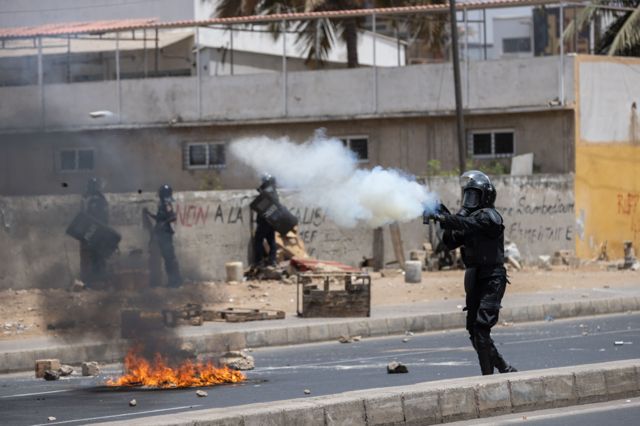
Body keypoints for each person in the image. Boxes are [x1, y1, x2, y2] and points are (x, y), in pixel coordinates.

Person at [424, 170, 517, 375]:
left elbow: (468, 224)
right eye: (467, 195)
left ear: (486, 196)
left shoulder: (490, 217)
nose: (469, 200)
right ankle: (503, 367)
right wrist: (441, 215)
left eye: (474, 195)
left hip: (492, 278)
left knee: (482, 329)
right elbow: (449, 242)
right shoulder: (470, 219)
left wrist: (446, 217)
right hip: (474, 277)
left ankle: (488, 376)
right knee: (473, 331)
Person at [144, 184, 182, 288]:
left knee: (169, 259)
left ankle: (175, 282)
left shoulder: (167, 204)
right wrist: (149, 214)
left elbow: (172, 217)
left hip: (166, 235)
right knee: (167, 259)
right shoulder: (163, 204)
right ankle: (172, 282)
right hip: (162, 235)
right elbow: (160, 219)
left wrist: (164, 223)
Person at [80, 177, 109, 285]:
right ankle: (98, 279)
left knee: (95, 256)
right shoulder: (100, 198)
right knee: (97, 256)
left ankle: (97, 280)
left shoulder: (92, 199)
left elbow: (88, 216)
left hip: (95, 230)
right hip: (98, 230)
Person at [253, 174, 278, 267]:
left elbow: (261, 205)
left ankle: (259, 261)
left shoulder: (267, 192)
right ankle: (272, 260)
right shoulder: (273, 191)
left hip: (265, 221)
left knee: (258, 240)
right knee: (271, 240)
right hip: (272, 220)